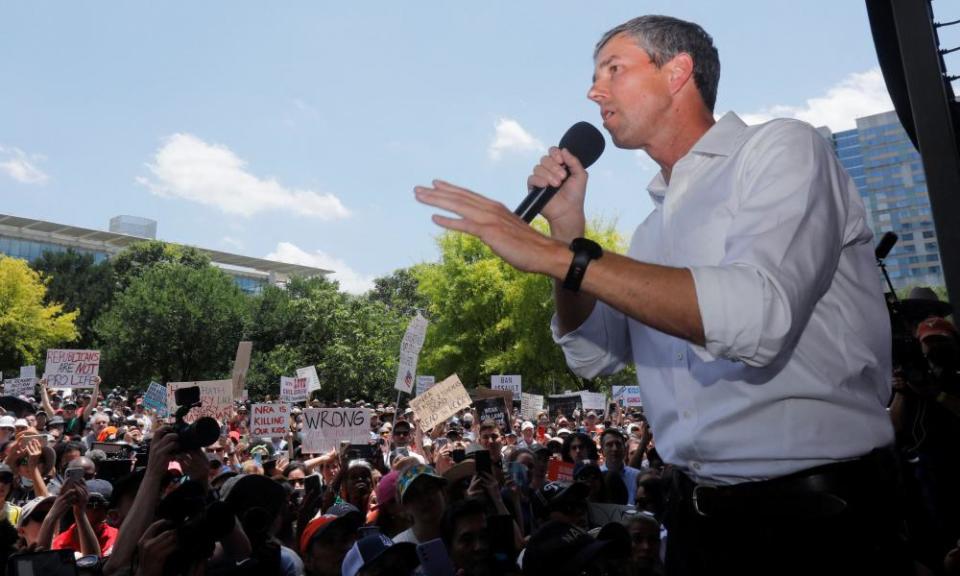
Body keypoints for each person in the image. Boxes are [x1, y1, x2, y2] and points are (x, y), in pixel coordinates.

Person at [415, 14, 902, 575]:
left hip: (816, 522)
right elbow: (590, 354)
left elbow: (759, 314)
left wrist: (557, 257)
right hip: (696, 517)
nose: (594, 91)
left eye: (613, 69)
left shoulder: (780, 151)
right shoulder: (650, 234)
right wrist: (567, 230)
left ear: (678, 71)